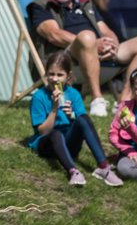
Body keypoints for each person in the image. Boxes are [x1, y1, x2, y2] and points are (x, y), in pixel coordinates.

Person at [28, 0, 137, 117]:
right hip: (65, 57)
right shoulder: (41, 6)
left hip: (97, 52)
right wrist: (94, 44)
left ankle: (124, 101)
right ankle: (97, 99)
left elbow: (105, 29)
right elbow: (54, 35)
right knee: (87, 36)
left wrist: (111, 45)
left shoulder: (84, 3)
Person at [26, 51, 124, 188]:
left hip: (69, 143)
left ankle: (103, 167)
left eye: (60, 75)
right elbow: (43, 131)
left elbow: (83, 124)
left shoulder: (73, 94)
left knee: (83, 118)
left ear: (68, 76)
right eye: (51, 74)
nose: (55, 79)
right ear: (46, 74)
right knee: (56, 133)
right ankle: (73, 171)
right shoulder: (39, 97)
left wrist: (71, 115)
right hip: (47, 144)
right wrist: (54, 108)